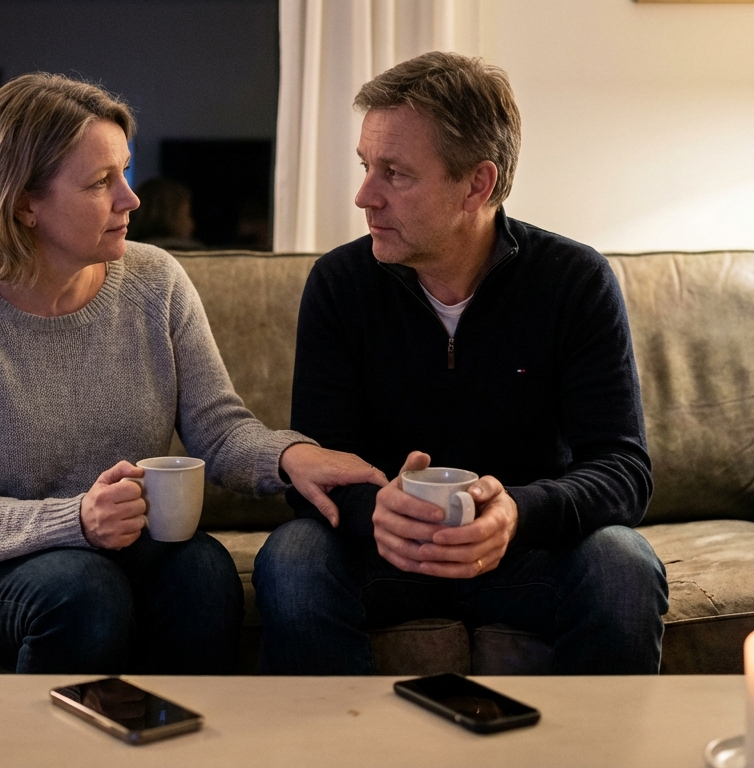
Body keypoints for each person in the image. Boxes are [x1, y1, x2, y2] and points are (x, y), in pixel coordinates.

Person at [0, 73, 384, 675]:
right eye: (102, 182)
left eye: (124, 172)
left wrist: (290, 458)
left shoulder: (157, 282)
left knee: (204, 572)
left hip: (121, 543)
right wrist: (76, 520)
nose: (131, 199)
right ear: (24, 201)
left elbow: (218, 428)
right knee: (84, 590)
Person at [253, 52, 669, 675]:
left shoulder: (574, 281)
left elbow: (624, 470)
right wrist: (379, 513)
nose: (364, 196)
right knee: (292, 557)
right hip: (384, 557)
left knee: (624, 564)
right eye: (366, 166)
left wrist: (517, 513)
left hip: (523, 553)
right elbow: (321, 467)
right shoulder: (341, 283)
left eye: (394, 173)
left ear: (476, 184)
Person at [127, 177, 204, 250]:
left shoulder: (124, 252)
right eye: (187, 215)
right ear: (172, 216)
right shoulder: (196, 254)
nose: (193, 225)